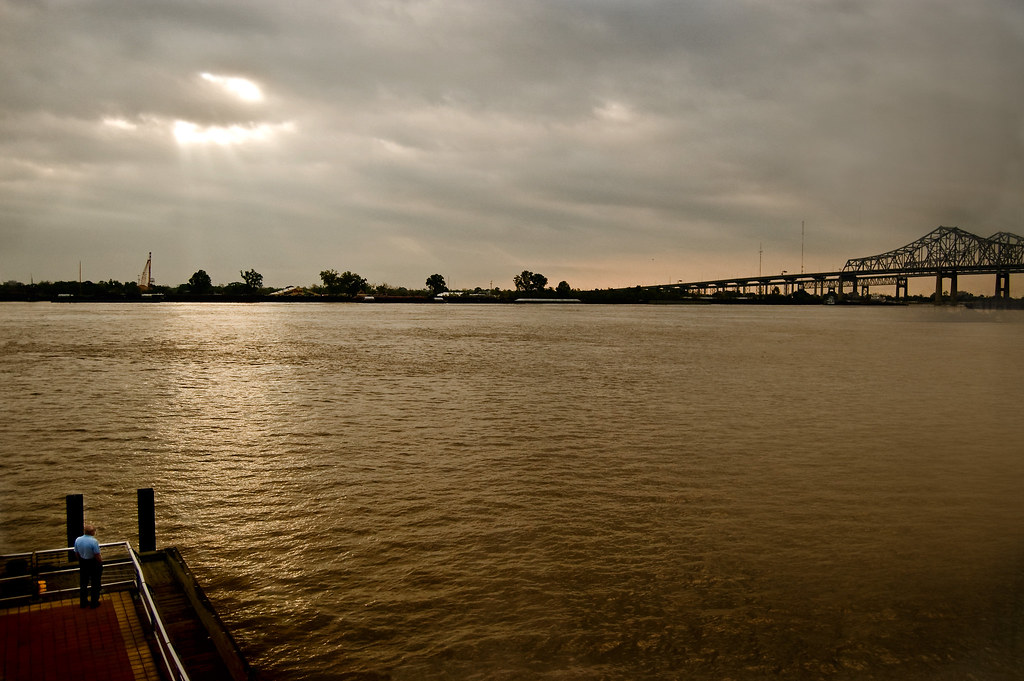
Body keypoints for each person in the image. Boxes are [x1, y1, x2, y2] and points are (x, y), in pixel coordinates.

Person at [74, 524, 103, 608]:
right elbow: (97, 554)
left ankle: (83, 602)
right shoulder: (94, 541)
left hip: (83, 563)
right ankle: (94, 602)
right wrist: (100, 563)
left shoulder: (78, 539)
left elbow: (76, 552)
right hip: (93, 563)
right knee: (95, 583)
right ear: (92, 532)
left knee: (83, 583)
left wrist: (80, 561)